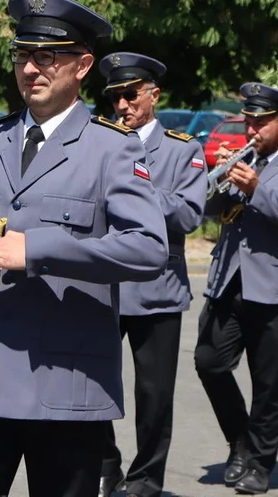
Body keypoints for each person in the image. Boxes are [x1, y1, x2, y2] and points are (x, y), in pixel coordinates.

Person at [0, 0, 171, 497]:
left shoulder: (113, 148)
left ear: (82, 65)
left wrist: (39, 249)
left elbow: (149, 247)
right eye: (22, 55)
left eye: (47, 56)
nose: (30, 69)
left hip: (65, 380)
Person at [195, 82, 278, 495]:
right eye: (249, 120)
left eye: (261, 122)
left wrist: (256, 188)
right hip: (228, 282)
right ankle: (240, 442)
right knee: (209, 362)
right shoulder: (242, 160)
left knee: (268, 384)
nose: (252, 129)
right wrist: (213, 183)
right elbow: (210, 207)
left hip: (276, 290)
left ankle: (260, 464)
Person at [95, 52, 208, 497]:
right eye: (115, 98)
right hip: (104, 283)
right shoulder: (101, 142)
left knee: (153, 395)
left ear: (153, 95)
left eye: (130, 95)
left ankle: (146, 479)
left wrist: (139, 196)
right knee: (93, 382)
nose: (122, 106)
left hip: (156, 288)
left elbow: (190, 212)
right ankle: (106, 464)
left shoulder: (183, 150)